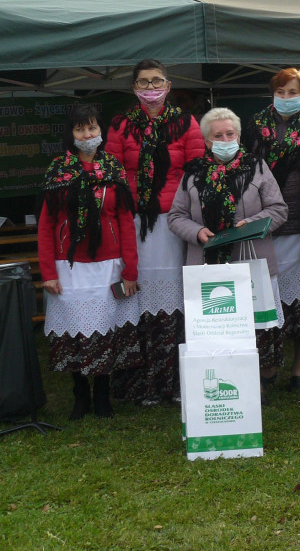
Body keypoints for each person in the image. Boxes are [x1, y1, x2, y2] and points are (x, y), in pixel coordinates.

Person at [167, 108, 288, 404]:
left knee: (254, 327)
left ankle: (258, 380)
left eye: (229, 134)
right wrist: (197, 232)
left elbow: (279, 209)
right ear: (207, 141)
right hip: (208, 265)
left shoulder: (257, 167)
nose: (225, 140)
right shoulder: (193, 173)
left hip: (251, 262)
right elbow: (176, 216)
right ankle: (220, 381)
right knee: (218, 328)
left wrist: (254, 222)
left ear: (238, 136)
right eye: (217, 136)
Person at [107, 59, 204, 406]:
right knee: (137, 302)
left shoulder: (185, 122)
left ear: (169, 84)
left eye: (157, 81)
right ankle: (142, 384)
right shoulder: (120, 125)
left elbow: (196, 169)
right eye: (144, 82)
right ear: (133, 88)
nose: (151, 88)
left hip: (175, 223)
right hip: (134, 222)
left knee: (178, 304)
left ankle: (178, 382)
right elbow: (113, 171)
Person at [38, 104, 141, 420]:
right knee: (73, 333)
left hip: (108, 266)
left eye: (93, 128)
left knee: (105, 332)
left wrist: (130, 269)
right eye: (81, 129)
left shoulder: (113, 168)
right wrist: (47, 273)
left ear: (101, 132)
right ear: (71, 135)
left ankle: (102, 397)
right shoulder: (59, 171)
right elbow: (46, 226)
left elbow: (125, 219)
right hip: (67, 268)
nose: (87, 135)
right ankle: (79, 395)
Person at [243, 68, 300, 393]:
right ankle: (267, 364)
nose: (286, 98)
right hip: (265, 226)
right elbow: (243, 166)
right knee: (266, 298)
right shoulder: (254, 124)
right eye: (281, 92)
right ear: (272, 93)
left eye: (293, 92)